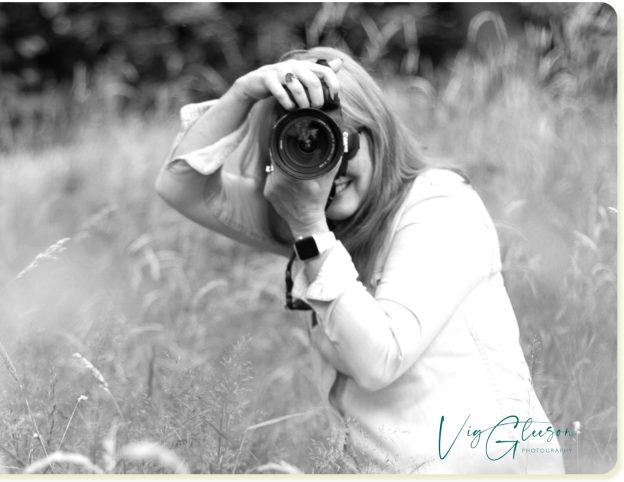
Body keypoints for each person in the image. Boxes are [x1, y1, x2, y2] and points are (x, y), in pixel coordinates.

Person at [155, 46, 566, 474]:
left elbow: (379, 359)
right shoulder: (315, 217)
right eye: (301, 143)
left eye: (337, 141)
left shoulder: (440, 205)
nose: (327, 170)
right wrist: (243, 93)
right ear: (277, 157)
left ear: (377, 134)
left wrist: (309, 227)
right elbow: (179, 186)